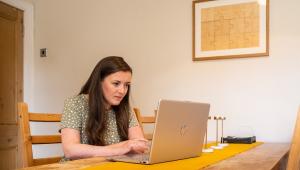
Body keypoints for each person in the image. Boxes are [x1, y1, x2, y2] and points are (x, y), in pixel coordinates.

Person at [60, 56, 148, 161]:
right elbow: (70, 150)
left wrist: (129, 146)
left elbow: (139, 146)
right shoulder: (75, 104)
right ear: (99, 82)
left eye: (126, 85)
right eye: (116, 83)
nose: (122, 91)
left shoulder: (126, 108)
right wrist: (123, 147)